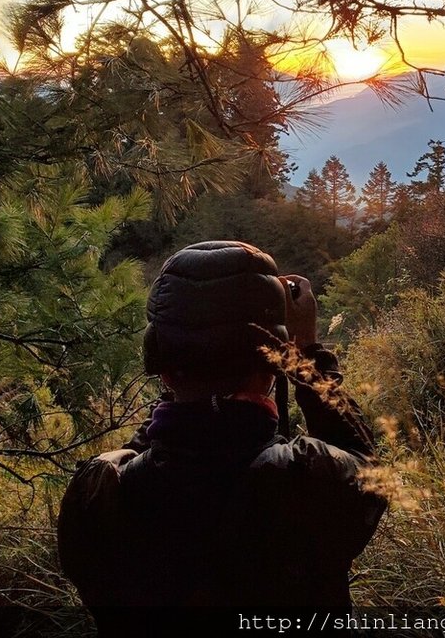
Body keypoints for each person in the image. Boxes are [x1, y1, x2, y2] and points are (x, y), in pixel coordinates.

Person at [57, 240, 386, 615]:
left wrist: (187, 353)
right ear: (273, 368)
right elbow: (366, 466)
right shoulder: (308, 477)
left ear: (163, 371)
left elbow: (161, 439)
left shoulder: (98, 495)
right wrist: (306, 355)